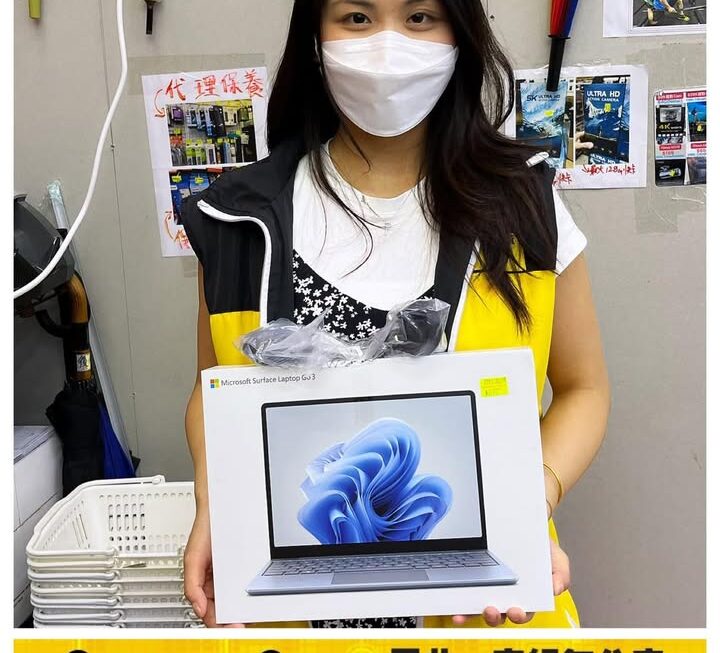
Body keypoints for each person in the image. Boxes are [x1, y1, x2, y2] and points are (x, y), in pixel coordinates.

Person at [182, 0, 610, 629]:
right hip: (292, 615)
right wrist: (212, 500)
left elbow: (583, 389)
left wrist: (530, 499)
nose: (387, 45)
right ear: (315, 35)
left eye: (419, 18)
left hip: (484, 612)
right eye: (357, 17)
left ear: (461, 34)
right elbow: (211, 390)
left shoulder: (525, 203)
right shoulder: (237, 217)